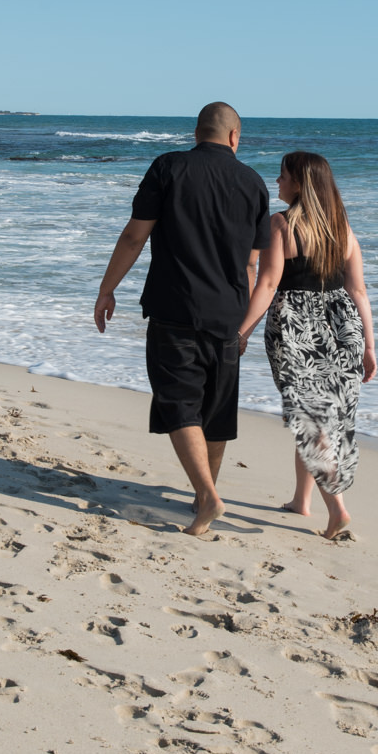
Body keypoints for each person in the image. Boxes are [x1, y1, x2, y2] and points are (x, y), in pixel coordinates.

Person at [94, 101, 271, 536]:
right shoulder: (254, 183)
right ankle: (201, 495)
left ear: (196, 133)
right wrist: (245, 321)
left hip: (175, 307)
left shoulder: (168, 167)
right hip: (229, 315)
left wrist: (107, 288)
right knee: (215, 409)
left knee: (178, 402)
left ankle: (208, 497)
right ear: (235, 137)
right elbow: (252, 264)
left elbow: (136, 234)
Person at [238, 150, 376, 539]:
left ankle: (338, 509)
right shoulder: (342, 227)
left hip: (296, 328)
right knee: (323, 418)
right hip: (343, 326)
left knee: (308, 419)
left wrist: (242, 331)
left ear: (299, 182)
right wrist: (369, 346)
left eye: (282, 176)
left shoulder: (280, 225)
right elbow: (359, 290)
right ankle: (303, 501)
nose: (277, 182)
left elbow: (266, 285)